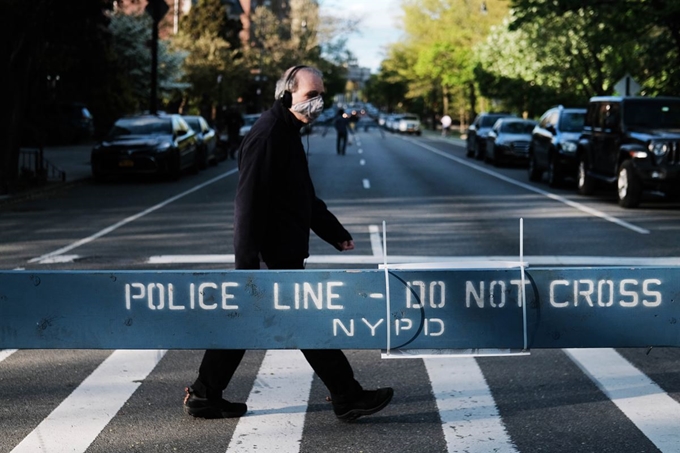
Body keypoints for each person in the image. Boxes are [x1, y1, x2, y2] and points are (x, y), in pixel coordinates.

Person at [183, 65, 394, 422]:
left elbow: (304, 198)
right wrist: (246, 268)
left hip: (280, 254)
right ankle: (346, 394)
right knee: (306, 322)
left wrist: (336, 234)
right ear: (286, 95)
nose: (318, 103)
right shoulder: (269, 136)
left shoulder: (288, 132)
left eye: (321, 96)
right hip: (270, 258)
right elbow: (247, 204)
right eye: (311, 95)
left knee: (255, 322)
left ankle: (205, 393)